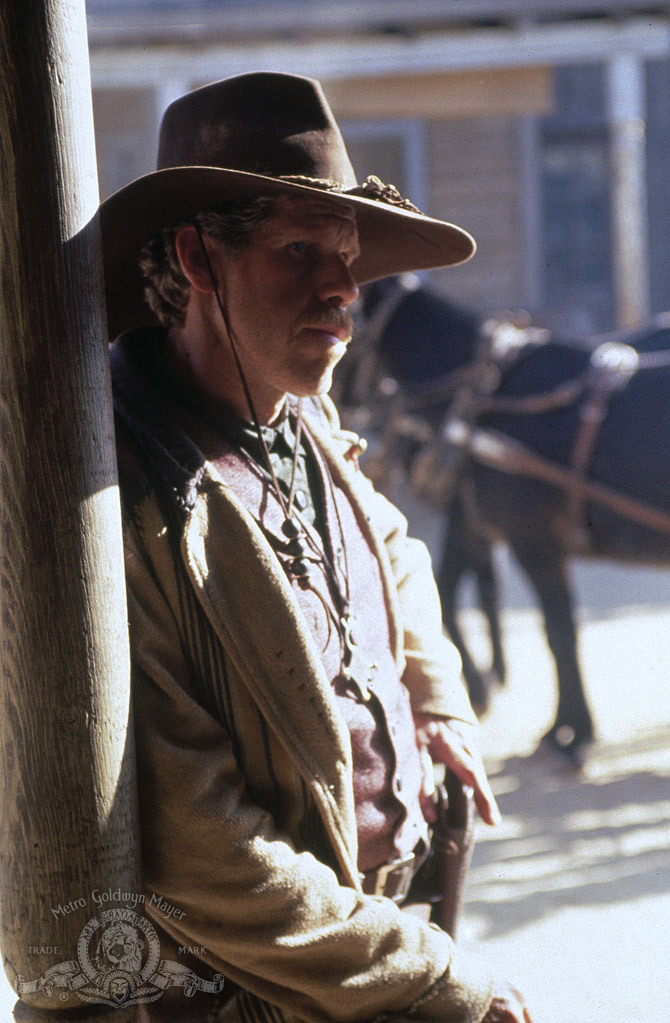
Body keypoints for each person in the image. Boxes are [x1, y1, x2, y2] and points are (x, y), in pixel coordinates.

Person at [100, 71, 531, 1023]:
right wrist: (439, 980)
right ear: (198, 258)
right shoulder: (124, 504)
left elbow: (394, 548)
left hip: (377, 935)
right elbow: (196, 855)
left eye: (346, 259)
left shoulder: (303, 420)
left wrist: (437, 698)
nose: (343, 290)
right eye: (301, 253)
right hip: (243, 994)